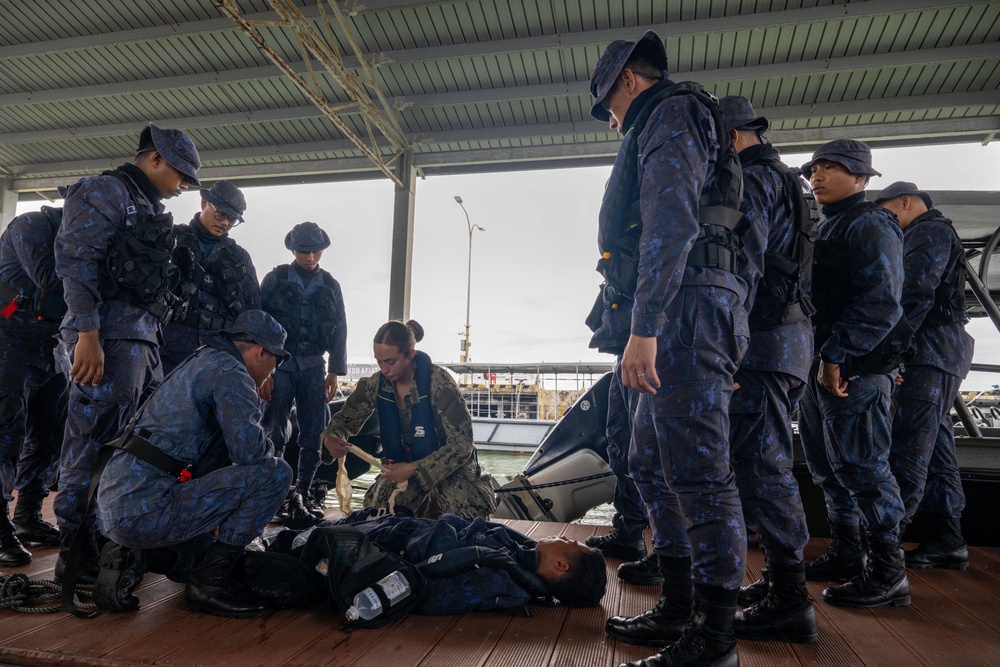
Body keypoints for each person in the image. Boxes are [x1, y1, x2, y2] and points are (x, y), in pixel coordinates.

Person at [588, 31, 750, 667]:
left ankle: (715, 641)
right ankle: (682, 606)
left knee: (702, 476)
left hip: (680, 315)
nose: (610, 120)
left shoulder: (674, 114)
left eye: (608, 104)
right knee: (652, 461)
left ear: (630, 79)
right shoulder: (667, 119)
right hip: (679, 312)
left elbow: (672, 223)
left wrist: (645, 326)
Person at [53, 122, 200, 584]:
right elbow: (76, 262)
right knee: (91, 442)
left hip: (139, 340)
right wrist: (87, 334)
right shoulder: (105, 192)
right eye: (180, 175)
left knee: (126, 448)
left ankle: (108, 538)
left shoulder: (145, 206)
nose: (183, 188)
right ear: (155, 158)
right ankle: (75, 552)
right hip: (107, 339)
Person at [92, 310, 292, 618]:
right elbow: (251, 455)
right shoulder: (232, 373)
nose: (271, 374)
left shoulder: (202, 360)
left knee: (201, 558)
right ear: (261, 351)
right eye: (275, 364)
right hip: (146, 510)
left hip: (116, 507)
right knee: (276, 474)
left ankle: (140, 558)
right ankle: (209, 587)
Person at [717, 96, 817, 644]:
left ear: (732, 138)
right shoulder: (790, 182)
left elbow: (742, 270)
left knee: (763, 464)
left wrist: (726, 352)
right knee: (765, 460)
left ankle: (790, 600)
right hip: (787, 342)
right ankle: (782, 582)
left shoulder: (753, 181)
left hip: (761, 345)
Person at [798, 139, 911, 608]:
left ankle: (889, 574)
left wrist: (836, 355)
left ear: (862, 179)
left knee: (864, 468)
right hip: (820, 361)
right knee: (827, 467)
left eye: (831, 168)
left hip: (853, 368)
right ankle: (847, 552)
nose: (817, 176)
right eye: (814, 169)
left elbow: (881, 301)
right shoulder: (828, 227)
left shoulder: (870, 223)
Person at [875, 181, 974, 570]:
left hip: (929, 351)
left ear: (905, 202)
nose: (884, 220)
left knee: (908, 447)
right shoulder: (933, 230)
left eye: (886, 211)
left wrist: (889, 355)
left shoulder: (927, 231)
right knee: (935, 449)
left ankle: (883, 548)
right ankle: (947, 539)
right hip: (939, 350)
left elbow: (914, 293)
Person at [322, 320, 496, 519]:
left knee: (466, 516)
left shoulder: (440, 385)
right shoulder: (376, 384)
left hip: (447, 465)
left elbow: (462, 446)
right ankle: (422, 511)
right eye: (379, 362)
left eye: (391, 362)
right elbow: (344, 419)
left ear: (410, 354)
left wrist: (414, 469)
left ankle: (433, 507)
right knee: (380, 514)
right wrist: (332, 437)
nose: (384, 369)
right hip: (401, 461)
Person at [341, 512, 607, 608]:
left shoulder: (500, 583)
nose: (564, 536)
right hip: (406, 528)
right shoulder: (520, 558)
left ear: (561, 565)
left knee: (321, 536)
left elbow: (430, 595)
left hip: (390, 545)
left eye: (570, 542)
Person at [261, 222, 347, 517]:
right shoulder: (275, 278)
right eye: (303, 251)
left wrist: (335, 371)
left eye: (314, 251)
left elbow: (340, 330)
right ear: (293, 250)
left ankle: (304, 492)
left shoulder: (331, 284)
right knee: (274, 430)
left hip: (314, 366)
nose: (309, 257)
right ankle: (274, 492)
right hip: (279, 365)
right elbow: (259, 323)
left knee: (314, 432)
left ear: (322, 250)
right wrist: (264, 372)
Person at [0, 205, 68, 565]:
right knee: (6, 435)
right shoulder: (32, 226)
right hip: (8, 340)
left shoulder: (78, 237)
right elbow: (51, 280)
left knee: (52, 432)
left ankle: (28, 515)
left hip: (49, 346)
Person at [160, 180, 260, 375]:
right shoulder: (170, 240)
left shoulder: (239, 257)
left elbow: (253, 311)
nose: (225, 223)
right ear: (204, 203)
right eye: (221, 214)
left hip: (218, 353)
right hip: (168, 348)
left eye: (232, 220)